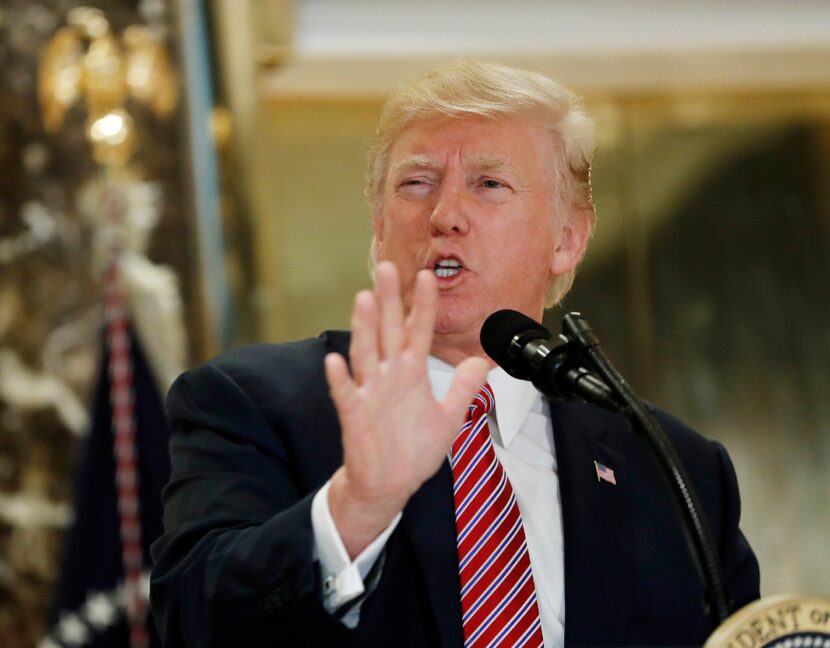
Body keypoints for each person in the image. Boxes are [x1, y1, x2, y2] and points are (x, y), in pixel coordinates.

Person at [150, 60, 760, 647]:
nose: (444, 215)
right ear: (379, 224)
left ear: (567, 240)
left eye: (489, 184)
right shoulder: (247, 402)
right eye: (416, 183)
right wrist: (356, 508)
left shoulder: (676, 467)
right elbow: (194, 622)